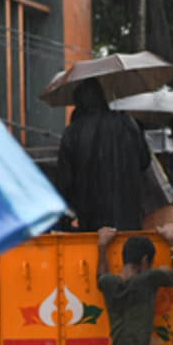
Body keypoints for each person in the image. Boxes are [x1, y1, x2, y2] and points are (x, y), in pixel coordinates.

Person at [56, 78, 151, 231]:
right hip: (129, 214)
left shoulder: (72, 133)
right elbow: (145, 161)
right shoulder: (127, 123)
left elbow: (64, 181)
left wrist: (67, 216)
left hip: (91, 221)